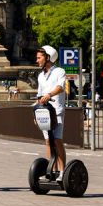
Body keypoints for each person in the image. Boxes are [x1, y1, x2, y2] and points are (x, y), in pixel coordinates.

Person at [36, 45, 67, 176]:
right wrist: (35, 113)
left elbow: (60, 87)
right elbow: (39, 96)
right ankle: (51, 170)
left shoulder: (59, 71)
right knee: (48, 141)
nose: (37, 60)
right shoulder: (40, 76)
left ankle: (62, 172)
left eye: (39, 57)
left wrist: (49, 95)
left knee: (57, 140)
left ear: (48, 58)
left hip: (56, 110)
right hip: (44, 112)